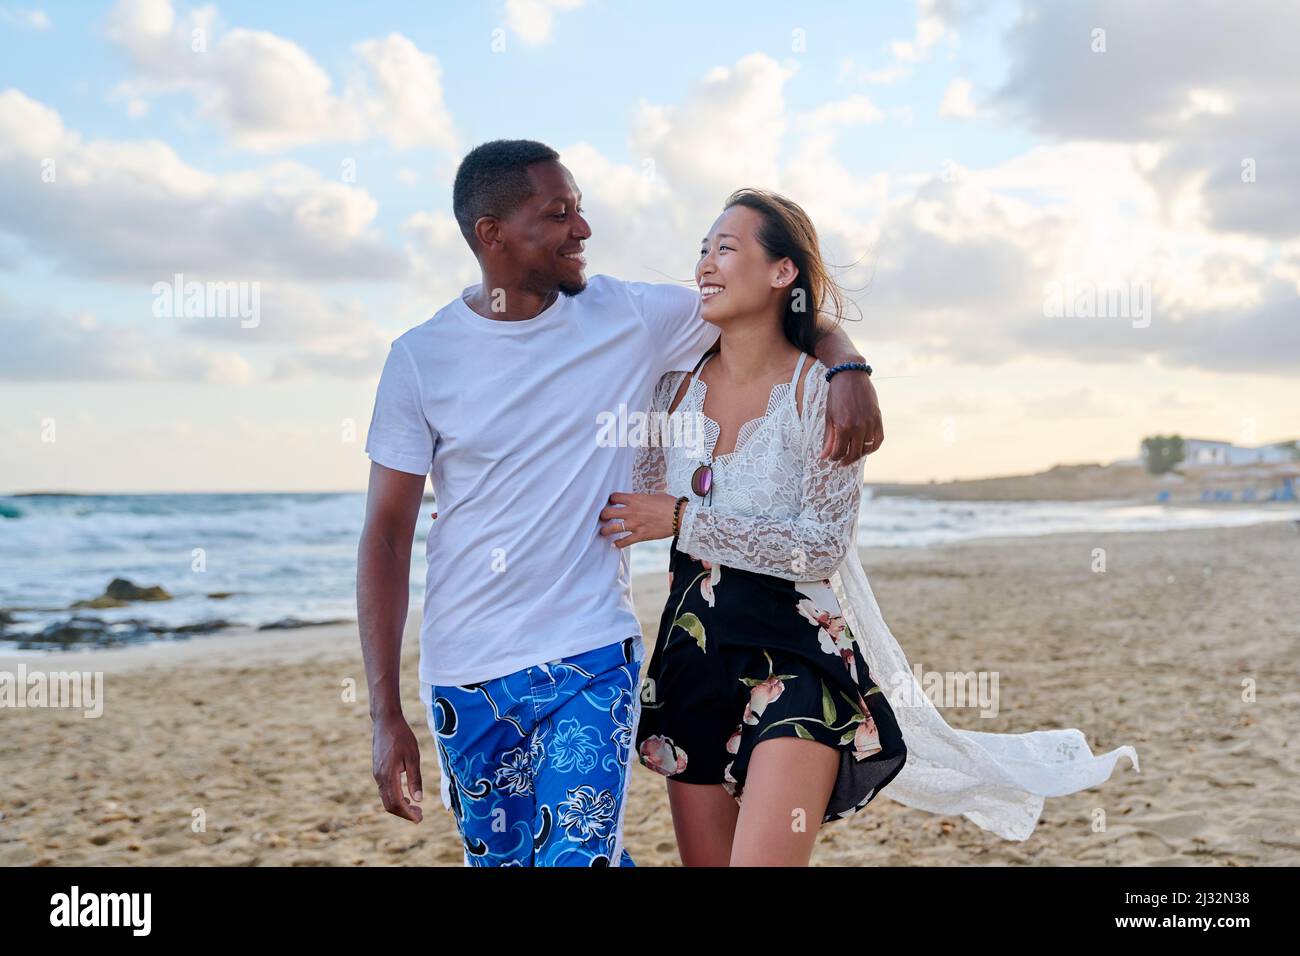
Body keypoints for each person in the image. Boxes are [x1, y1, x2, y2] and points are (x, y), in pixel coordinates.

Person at [356, 140, 882, 867]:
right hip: (464, 666)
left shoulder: (629, 316)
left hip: (589, 653)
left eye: (581, 208)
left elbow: (776, 307)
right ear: (493, 234)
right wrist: (385, 713)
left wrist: (848, 365)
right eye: (560, 213)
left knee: (576, 858)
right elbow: (386, 536)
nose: (583, 229)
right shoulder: (421, 357)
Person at [604, 188, 1140, 866]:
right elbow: (618, 490)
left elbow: (818, 545)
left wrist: (682, 519)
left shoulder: (823, 394)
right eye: (702, 250)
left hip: (800, 661)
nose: (706, 263)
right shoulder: (669, 391)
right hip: (691, 661)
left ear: (782, 272)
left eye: (726, 248)